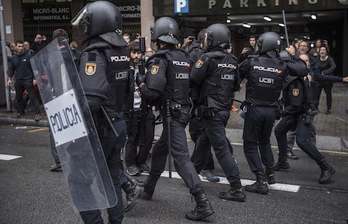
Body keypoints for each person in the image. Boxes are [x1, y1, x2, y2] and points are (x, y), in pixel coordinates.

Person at [136, 17, 214, 221]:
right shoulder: (185, 57)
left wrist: (141, 83)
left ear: (157, 35)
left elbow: (152, 93)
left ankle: (202, 203)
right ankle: (149, 188)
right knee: (161, 149)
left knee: (181, 159)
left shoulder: (160, 59)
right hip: (184, 111)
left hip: (172, 114)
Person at [73, 1, 142, 223]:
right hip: (118, 123)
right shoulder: (121, 51)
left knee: (80, 179)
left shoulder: (94, 53)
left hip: (100, 126)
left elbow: (91, 99)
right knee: (112, 176)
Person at [238, 32, 308, 194]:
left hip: (254, 109)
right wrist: (293, 55)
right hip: (271, 111)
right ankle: (270, 174)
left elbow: (236, 79)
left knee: (250, 144)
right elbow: (303, 71)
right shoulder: (282, 64)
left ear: (262, 45)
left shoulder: (251, 61)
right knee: (264, 142)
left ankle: (260, 181)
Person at [190, 23, 246, 202]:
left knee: (221, 149)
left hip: (210, 110)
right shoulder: (232, 60)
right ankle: (192, 174)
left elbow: (193, 79)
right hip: (222, 110)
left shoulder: (207, 58)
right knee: (204, 141)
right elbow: (236, 85)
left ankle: (237, 188)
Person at [273, 52, 347, 183]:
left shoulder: (310, 75)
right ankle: (282, 161)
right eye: (300, 61)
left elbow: (326, 79)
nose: (303, 64)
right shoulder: (293, 76)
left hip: (304, 113)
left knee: (302, 141)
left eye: (306, 61)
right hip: (294, 112)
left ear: (309, 63)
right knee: (279, 131)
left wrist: (341, 79)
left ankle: (326, 167)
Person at [187, 28, 220, 183]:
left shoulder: (205, 54)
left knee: (202, 134)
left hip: (205, 101)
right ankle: (205, 166)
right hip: (197, 101)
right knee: (198, 133)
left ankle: (197, 163)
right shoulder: (197, 55)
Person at [125, 40, 155, 176]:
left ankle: (141, 161)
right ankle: (130, 163)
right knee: (132, 138)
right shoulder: (126, 68)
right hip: (132, 109)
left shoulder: (147, 68)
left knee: (148, 137)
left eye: (139, 53)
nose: (136, 56)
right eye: (134, 53)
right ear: (130, 53)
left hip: (146, 107)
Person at [7, 40, 41, 121]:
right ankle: (20, 112)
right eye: (19, 46)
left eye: (22, 46)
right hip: (19, 79)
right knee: (18, 97)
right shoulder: (14, 57)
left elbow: (34, 67)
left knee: (32, 97)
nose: (21, 48)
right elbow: (12, 68)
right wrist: (9, 78)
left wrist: (34, 78)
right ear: (15, 47)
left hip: (28, 80)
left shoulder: (28, 56)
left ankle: (37, 113)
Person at [315, 46, 337, 114]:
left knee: (328, 94)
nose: (322, 51)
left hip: (327, 79)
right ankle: (316, 108)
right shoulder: (317, 59)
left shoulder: (330, 59)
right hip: (319, 79)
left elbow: (334, 67)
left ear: (326, 52)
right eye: (321, 50)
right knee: (317, 94)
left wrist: (325, 72)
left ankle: (328, 109)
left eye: (324, 50)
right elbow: (315, 67)